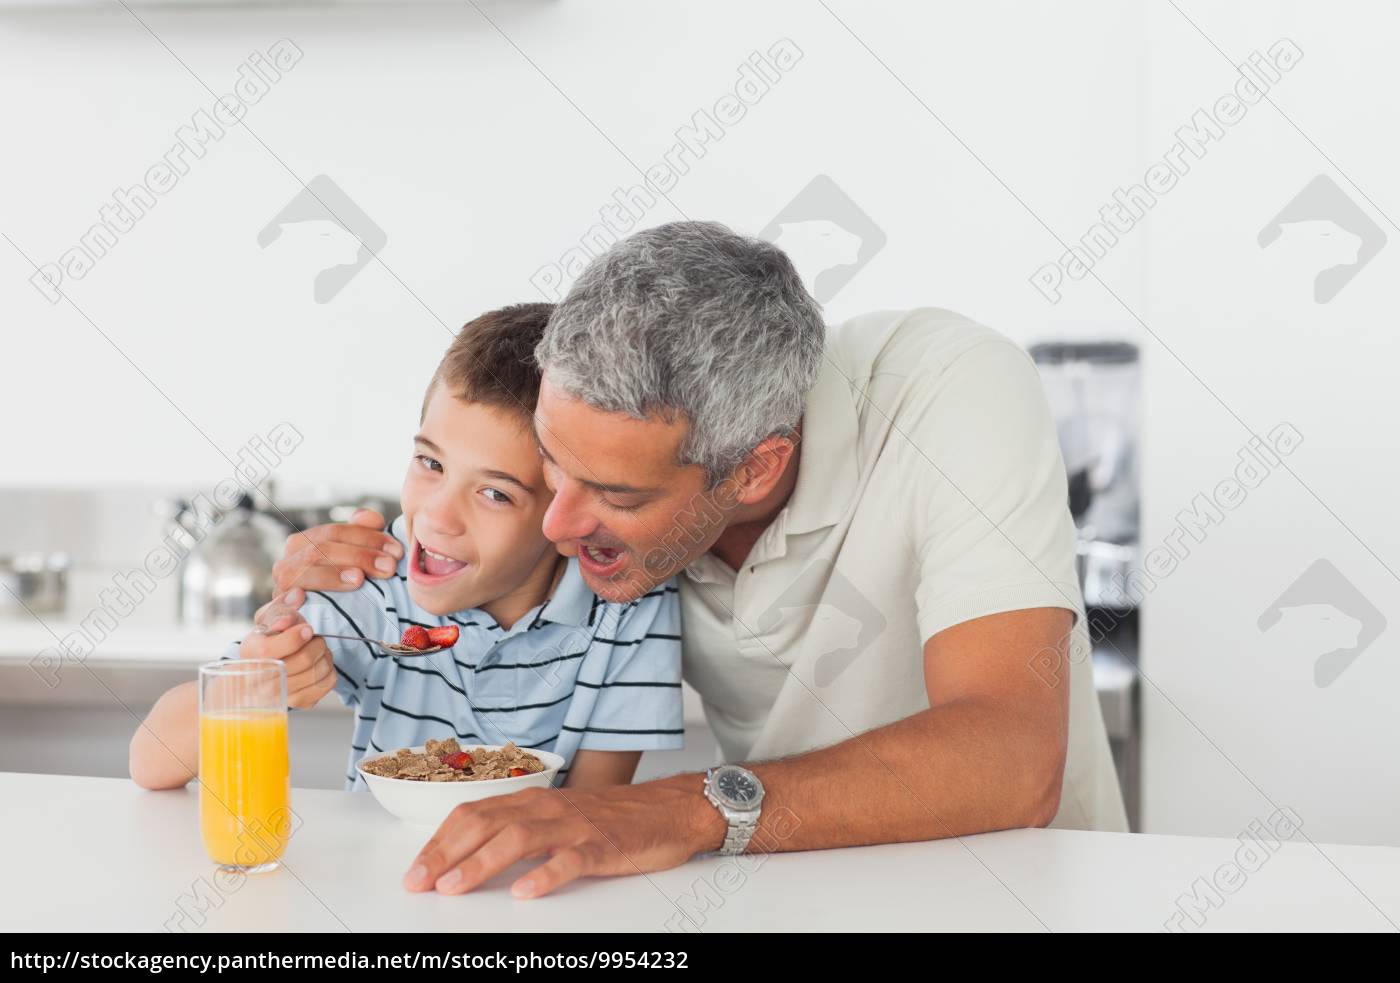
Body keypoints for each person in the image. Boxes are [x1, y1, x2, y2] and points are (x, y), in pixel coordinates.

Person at [277, 222, 1127, 903]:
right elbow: (463, 554)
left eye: (616, 493)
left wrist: (683, 805)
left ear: (753, 466)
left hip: (1025, 903)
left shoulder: (952, 389)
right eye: (548, 464)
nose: (563, 520)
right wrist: (346, 569)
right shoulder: (597, 484)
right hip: (792, 898)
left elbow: (1012, 757)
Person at [128, 303, 683, 793]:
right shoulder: (374, 582)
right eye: (430, 463)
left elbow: (589, 820)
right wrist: (256, 676)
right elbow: (150, 762)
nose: (437, 515)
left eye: (494, 493)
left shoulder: (629, 606)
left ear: (566, 513)